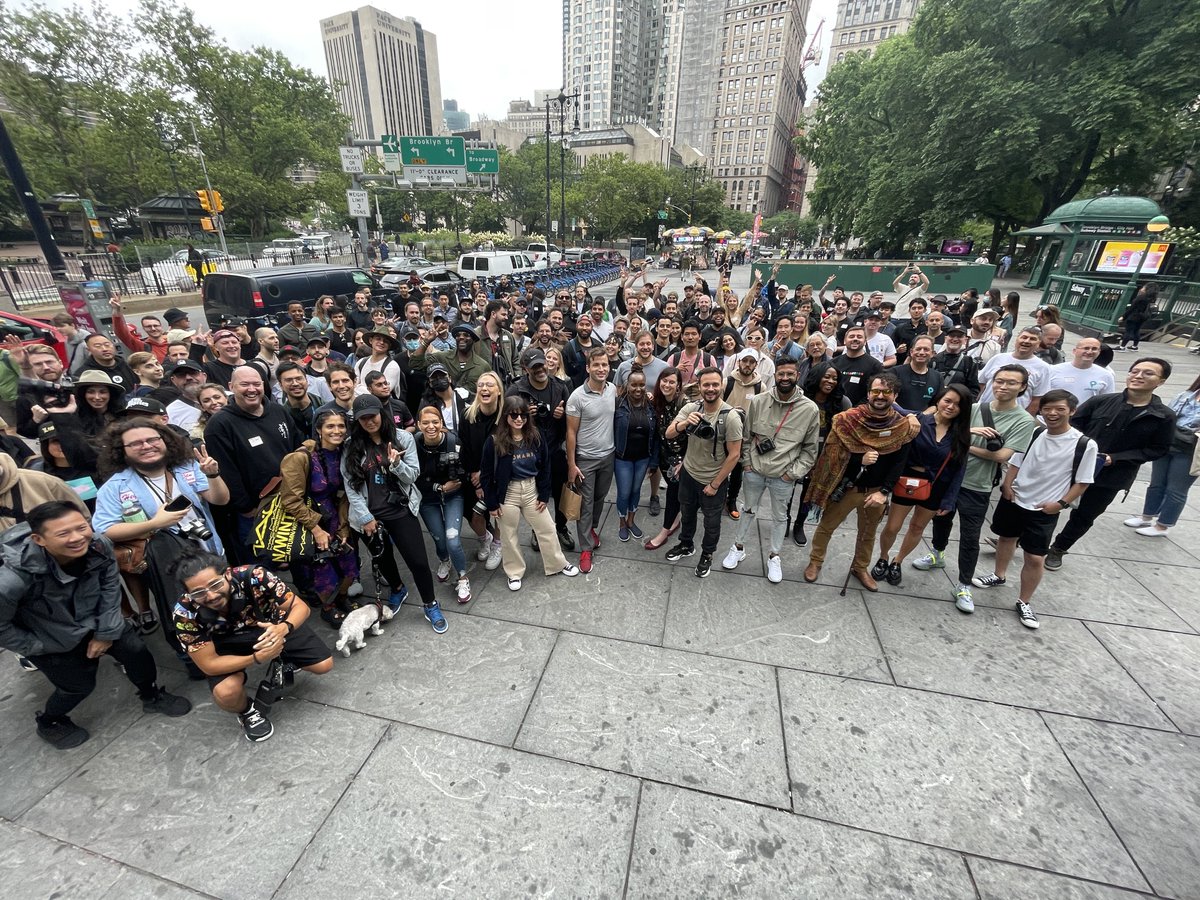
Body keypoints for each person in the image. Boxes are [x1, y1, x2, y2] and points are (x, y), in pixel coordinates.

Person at [0, 502, 191, 748]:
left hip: (97, 617)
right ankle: (50, 721)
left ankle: (151, 695)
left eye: (81, 527)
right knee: (77, 686)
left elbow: (110, 586)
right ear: (39, 539)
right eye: (63, 533)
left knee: (136, 651)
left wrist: (106, 633)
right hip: (49, 636)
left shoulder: (99, 545)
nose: (77, 538)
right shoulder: (10, 581)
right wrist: (38, 647)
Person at [914, 365, 1038, 613]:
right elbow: (940, 423)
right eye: (999, 381)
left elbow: (1001, 456)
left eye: (1011, 383)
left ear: (1023, 387)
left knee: (970, 537)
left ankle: (963, 585)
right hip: (948, 477)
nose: (1003, 386)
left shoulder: (1024, 420)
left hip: (978, 485)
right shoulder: (972, 408)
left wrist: (961, 441)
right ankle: (937, 553)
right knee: (941, 519)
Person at [172, 550, 331, 742]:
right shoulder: (184, 613)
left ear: (227, 573)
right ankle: (247, 711)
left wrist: (283, 628)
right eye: (198, 593)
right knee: (226, 692)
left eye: (215, 584)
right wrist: (256, 658)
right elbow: (209, 664)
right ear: (188, 593)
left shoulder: (256, 576)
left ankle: (285, 658)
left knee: (323, 665)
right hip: (224, 642)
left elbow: (300, 607)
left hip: (270, 625)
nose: (211, 595)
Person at [973, 390, 1099, 629]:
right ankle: (999, 575)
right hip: (1015, 497)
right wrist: (1007, 484)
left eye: (1060, 409)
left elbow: (1083, 481)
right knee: (1005, 538)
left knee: (1034, 556)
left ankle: (1024, 601)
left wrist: (1060, 504)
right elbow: (1016, 460)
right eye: (1047, 408)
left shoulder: (1084, 444)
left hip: (1044, 507)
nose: (1052, 413)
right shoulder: (1035, 433)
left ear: (1072, 411)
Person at [1045, 357, 1176, 571]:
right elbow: (1072, 425)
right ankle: (1024, 539)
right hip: (1072, 467)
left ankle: (1059, 548)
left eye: (1148, 373)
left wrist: (1116, 458)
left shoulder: (1163, 416)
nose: (1138, 376)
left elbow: (1158, 449)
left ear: (1161, 381)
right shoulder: (1101, 401)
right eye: (1135, 371)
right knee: (1047, 503)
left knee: (1085, 515)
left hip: (1111, 476)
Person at [802, 373, 920, 590]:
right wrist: (859, 459)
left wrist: (884, 492)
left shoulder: (902, 427)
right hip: (847, 487)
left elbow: (899, 463)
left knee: (868, 534)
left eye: (886, 392)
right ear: (868, 393)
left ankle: (860, 567)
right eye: (876, 391)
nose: (880, 396)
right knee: (826, 526)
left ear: (895, 396)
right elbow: (832, 453)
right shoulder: (847, 420)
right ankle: (815, 561)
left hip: (876, 491)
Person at [342, 395, 445, 633]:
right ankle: (398, 589)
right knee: (383, 559)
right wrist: (365, 518)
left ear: (382, 413)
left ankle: (430, 603)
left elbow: (413, 476)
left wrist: (396, 464)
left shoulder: (403, 438)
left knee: (418, 561)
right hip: (369, 516)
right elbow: (350, 485)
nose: (369, 422)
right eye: (363, 418)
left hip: (400, 509)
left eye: (373, 416)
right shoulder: (351, 446)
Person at [721, 356, 820, 582]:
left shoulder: (809, 409)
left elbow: (810, 450)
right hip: (754, 471)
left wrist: (791, 474)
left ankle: (774, 556)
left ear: (797, 376)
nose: (785, 378)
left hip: (783, 476)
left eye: (790, 374)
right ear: (775, 375)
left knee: (779, 517)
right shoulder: (758, 401)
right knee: (747, 509)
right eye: (781, 374)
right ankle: (738, 547)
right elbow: (746, 436)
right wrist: (747, 464)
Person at [869, 385, 971, 587]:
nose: (951, 407)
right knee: (893, 526)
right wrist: (909, 414)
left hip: (937, 485)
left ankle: (898, 561)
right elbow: (895, 407)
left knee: (917, 527)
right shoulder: (919, 420)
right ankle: (883, 557)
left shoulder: (961, 434)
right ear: (938, 400)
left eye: (958, 404)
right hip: (907, 480)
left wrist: (949, 500)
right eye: (947, 401)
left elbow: (959, 470)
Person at [480, 396, 582, 591]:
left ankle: (558, 563)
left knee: (547, 528)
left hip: (531, 490)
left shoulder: (535, 436)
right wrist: (492, 503)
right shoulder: (494, 441)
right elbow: (486, 475)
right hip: (507, 493)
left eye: (523, 415)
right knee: (509, 535)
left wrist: (543, 494)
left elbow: (545, 466)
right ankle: (514, 572)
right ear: (506, 416)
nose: (519, 419)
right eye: (514, 415)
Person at [202, 366, 300, 559]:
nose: (252, 389)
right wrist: (247, 508)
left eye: (256, 384)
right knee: (261, 566)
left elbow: (296, 448)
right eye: (244, 384)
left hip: (291, 502)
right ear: (231, 387)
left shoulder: (278, 411)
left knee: (297, 557)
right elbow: (227, 472)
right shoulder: (219, 425)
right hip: (254, 513)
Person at [279, 410, 360, 627]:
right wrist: (316, 530)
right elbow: (290, 500)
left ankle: (342, 598)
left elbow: (346, 494)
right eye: (330, 426)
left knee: (349, 563)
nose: (337, 431)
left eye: (341, 426)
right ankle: (328, 607)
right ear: (318, 430)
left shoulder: (344, 453)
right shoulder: (301, 458)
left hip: (336, 518)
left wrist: (343, 526)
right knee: (322, 569)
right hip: (308, 522)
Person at [663, 367, 745, 578]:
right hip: (689, 474)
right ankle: (686, 544)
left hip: (713, 480)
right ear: (699, 386)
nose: (710, 389)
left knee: (712, 522)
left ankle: (707, 554)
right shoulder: (691, 408)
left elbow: (734, 455)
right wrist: (685, 423)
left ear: (722, 386)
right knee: (687, 513)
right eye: (706, 384)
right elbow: (668, 433)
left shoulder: (730, 416)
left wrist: (715, 484)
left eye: (715, 384)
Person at [1126, 373, 1200, 537]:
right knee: (1156, 483)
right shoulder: (1185, 396)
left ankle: (1163, 525)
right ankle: (1147, 516)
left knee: (1176, 489)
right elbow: (1168, 416)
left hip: (1191, 451)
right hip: (1169, 443)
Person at [565, 348, 617, 573]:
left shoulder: (612, 389)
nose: (601, 369)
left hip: (608, 455)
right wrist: (572, 465)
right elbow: (570, 433)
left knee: (599, 498)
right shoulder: (577, 396)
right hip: (585, 459)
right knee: (585, 505)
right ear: (588, 368)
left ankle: (591, 529)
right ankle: (586, 548)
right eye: (596, 364)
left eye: (604, 364)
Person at [414, 405, 472, 604]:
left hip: (453, 495)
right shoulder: (414, 444)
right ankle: (444, 560)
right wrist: (439, 487)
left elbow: (466, 468)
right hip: (428, 497)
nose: (431, 426)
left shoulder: (454, 442)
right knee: (438, 538)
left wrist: (458, 480)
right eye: (426, 423)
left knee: (452, 539)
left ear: (441, 423)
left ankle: (462, 577)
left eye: (435, 422)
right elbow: (413, 477)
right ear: (418, 425)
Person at [459, 371, 504, 569]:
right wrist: (475, 475)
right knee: (473, 514)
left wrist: (486, 476)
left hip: (498, 474)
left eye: (489, 385)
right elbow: (465, 448)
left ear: (499, 391)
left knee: (499, 513)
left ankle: (498, 544)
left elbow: (507, 451)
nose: (484, 388)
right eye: (480, 385)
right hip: (474, 474)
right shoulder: (467, 415)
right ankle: (485, 538)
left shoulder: (505, 417)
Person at [644, 367, 686, 551]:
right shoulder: (658, 401)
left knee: (672, 493)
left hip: (679, 459)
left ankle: (664, 531)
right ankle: (676, 519)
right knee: (674, 491)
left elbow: (695, 436)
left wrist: (685, 460)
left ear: (678, 385)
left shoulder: (684, 404)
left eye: (671, 382)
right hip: (663, 456)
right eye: (664, 380)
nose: (667, 385)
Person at [613, 370, 658, 543]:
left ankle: (631, 521)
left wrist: (653, 462)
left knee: (636, 490)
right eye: (634, 385)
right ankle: (622, 523)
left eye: (641, 385)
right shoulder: (618, 404)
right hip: (622, 457)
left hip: (643, 457)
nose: (638, 389)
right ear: (627, 385)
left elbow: (656, 437)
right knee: (624, 492)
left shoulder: (651, 406)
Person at [978, 327, 1051, 415]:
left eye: (1032, 339)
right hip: (985, 412)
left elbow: (1037, 399)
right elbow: (981, 384)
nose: (1027, 341)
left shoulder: (1043, 367)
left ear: (1038, 344)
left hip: (1014, 417)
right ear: (1017, 339)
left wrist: (1025, 418)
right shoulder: (997, 358)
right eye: (1024, 337)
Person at [1047, 338, 1116, 406]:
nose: (1089, 352)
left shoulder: (1106, 375)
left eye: (1094, 349)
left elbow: (1107, 403)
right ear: (1074, 351)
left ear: (1099, 352)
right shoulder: (1053, 370)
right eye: (1086, 348)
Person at [830, 325, 884, 406]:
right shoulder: (833, 363)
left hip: (861, 410)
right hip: (834, 407)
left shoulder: (875, 365)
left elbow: (875, 392)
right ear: (844, 341)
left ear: (865, 342)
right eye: (851, 336)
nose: (855, 339)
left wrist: (855, 410)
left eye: (859, 337)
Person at [893, 335, 944, 412]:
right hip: (897, 416)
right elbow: (889, 398)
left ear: (933, 353)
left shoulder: (938, 377)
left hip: (924, 418)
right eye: (918, 349)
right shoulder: (895, 372)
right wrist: (907, 415)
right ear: (911, 352)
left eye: (926, 349)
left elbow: (936, 404)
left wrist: (921, 416)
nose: (921, 352)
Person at [72, 369, 125, 436]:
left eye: (102, 392)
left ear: (111, 394)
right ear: (83, 394)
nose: (97, 397)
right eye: (91, 392)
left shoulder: (122, 416)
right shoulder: (74, 419)